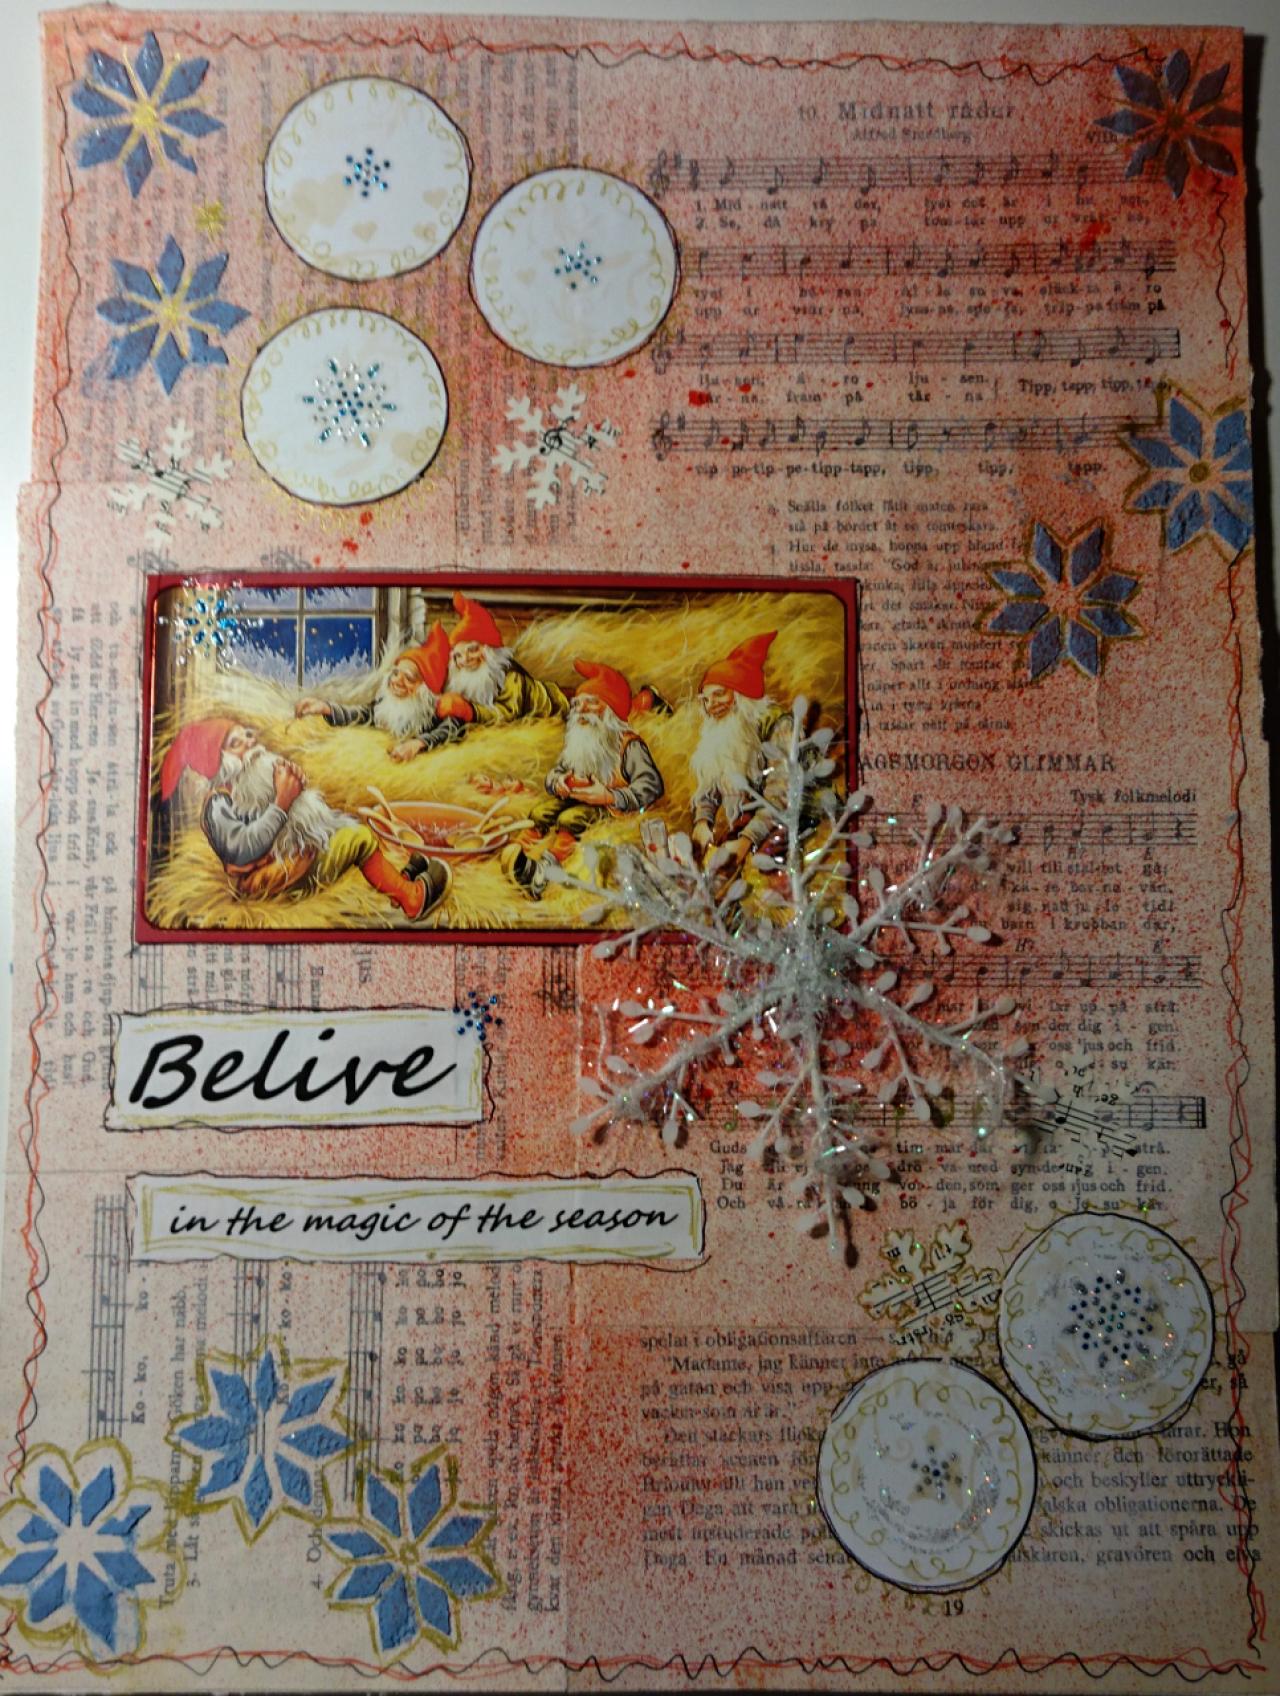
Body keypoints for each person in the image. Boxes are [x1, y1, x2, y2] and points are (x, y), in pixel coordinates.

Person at [159, 717, 449, 922]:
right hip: (277, 879)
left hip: (294, 858)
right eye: (237, 743)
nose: (250, 742)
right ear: (221, 763)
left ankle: (395, 885)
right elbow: (243, 848)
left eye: (247, 735)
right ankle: (411, 899)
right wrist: (283, 801)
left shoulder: (250, 779)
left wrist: (296, 796)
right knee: (357, 837)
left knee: (349, 825)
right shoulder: (218, 804)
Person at [501, 661, 663, 898]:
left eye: (592, 702)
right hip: (578, 797)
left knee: (570, 819)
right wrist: (558, 782)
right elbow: (555, 773)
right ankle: (517, 856)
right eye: (578, 703)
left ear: (610, 710)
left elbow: (651, 786)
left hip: (613, 808)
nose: (582, 709)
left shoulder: (629, 745)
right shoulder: (579, 740)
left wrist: (609, 796)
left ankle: (543, 873)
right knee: (541, 812)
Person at [689, 630, 794, 870]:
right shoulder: (720, 729)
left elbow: (782, 794)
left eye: (719, 695)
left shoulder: (778, 725)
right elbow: (709, 785)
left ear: (740, 694)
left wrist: (747, 839)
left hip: (786, 820)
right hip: (743, 822)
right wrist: (702, 821)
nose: (711, 705)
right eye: (706, 699)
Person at [294, 623, 460, 763]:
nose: (397, 681)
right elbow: (364, 714)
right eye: (395, 673)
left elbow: (453, 728)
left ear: (425, 690)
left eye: (409, 678)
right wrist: (327, 708)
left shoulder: (435, 712)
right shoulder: (388, 707)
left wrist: (418, 743)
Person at [434, 591, 569, 727]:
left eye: (473, 650)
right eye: (458, 655)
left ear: (490, 651)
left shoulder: (511, 676)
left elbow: (508, 713)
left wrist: (470, 711)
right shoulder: (459, 679)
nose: (465, 660)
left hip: (554, 703)